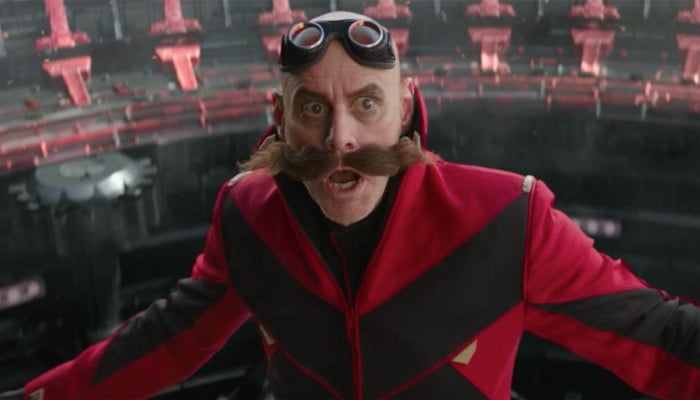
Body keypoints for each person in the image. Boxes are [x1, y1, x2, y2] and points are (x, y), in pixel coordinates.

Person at [11, 10, 700, 400]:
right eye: (314, 108)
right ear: (280, 118)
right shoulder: (246, 213)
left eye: (366, 105)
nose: (339, 139)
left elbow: (659, 337)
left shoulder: (507, 217)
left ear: (405, 109)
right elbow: (164, 343)